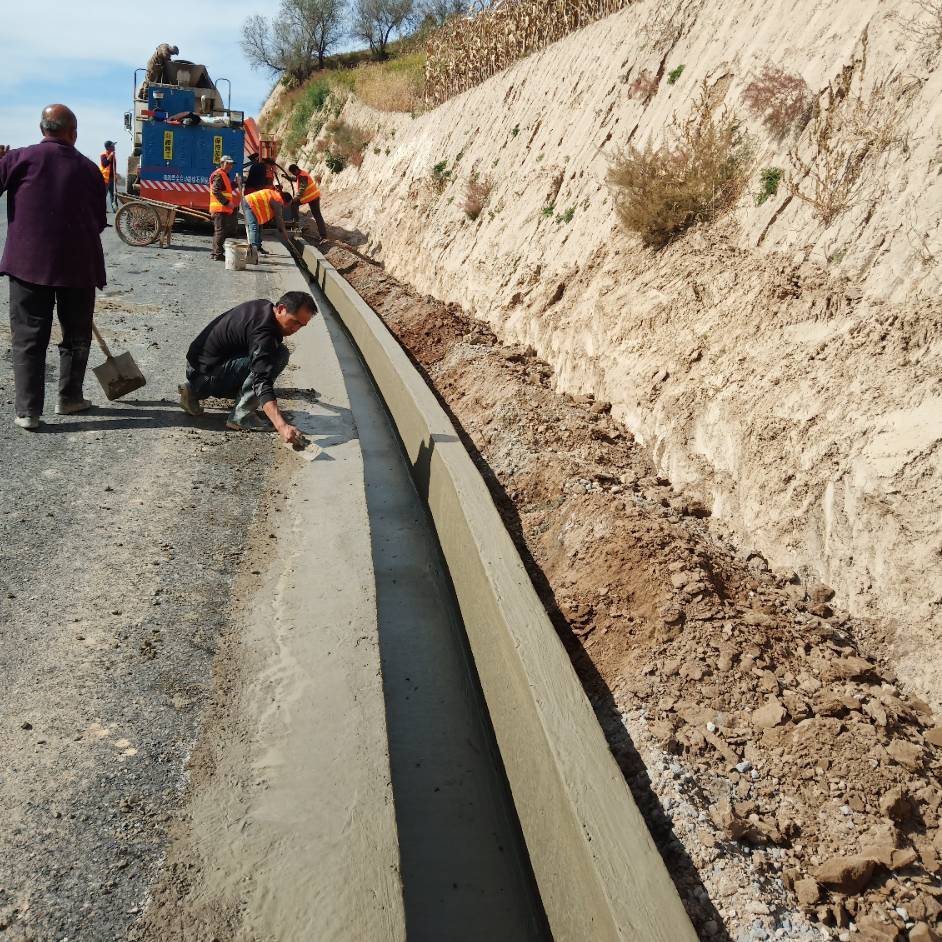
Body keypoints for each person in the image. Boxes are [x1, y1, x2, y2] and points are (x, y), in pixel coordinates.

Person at [0, 104, 107, 431]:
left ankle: (29, 411)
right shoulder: (90, 170)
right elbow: (100, 223)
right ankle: (69, 397)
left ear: (42, 128)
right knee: (76, 335)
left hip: (29, 264)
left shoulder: (18, 159)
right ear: (73, 134)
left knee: (29, 335)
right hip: (78, 265)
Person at [178, 291, 317, 441]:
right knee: (278, 356)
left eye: (301, 326)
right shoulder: (263, 333)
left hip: (198, 369)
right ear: (281, 309)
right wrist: (282, 426)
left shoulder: (263, 308)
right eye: (295, 322)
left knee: (272, 352)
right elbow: (261, 380)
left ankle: (193, 390)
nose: (296, 329)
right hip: (204, 375)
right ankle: (241, 416)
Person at [242, 185, 289, 255]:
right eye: (288, 205)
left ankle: (258, 247)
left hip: (255, 205)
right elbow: (279, 219)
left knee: (259, 226)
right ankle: (252, 251)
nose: (286, 207)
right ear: (285, 201)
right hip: (249, 203)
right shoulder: (278, 200)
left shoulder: (275, 195)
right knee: (254, 227)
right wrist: (284, 232)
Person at [208, 155, 239, 261]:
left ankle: (215, 253)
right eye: (228, 163)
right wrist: (226, 203)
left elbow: (225, 189)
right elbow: (215, 191)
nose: (230, 166)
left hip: (221, 209)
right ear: (222, 163)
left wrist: (235, 183)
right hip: (220, 208)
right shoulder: (219, 175)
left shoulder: (224, 175)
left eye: (231, 164)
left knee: (219, 231)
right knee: (220, 231)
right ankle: (218, 254)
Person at [287, 163, 327, 240]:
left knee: (294, 204)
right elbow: (297, 179)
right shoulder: (301, 173)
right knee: (317, 216)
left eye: (293, 173)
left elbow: (302, 189)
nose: (294, 175)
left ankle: (296, 225)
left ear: (295, 170)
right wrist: (289, 178)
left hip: (312, 198)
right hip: (313, 197)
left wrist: (294, 198)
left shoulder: (302, 176)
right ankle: (323, 235)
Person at [100, 141, 117, 213]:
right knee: (104, 195)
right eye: (112, 146)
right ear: (108, 148)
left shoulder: (113, 155)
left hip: (112, 179)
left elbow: (114, 168)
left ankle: (115, 210)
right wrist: (110, 156)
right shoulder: (103, 155)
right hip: (105, 179)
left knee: (114, 194)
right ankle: (102, 209)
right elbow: (104, 164)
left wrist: (115, 177)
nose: (114, 147)